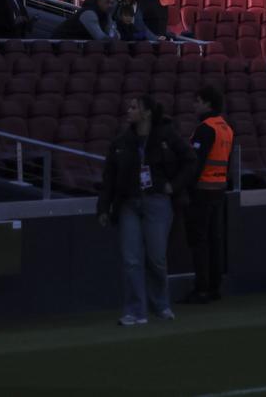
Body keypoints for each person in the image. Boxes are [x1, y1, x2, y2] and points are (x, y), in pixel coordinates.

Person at [98, 97, 190, 326]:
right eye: (128, 106)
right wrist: (103, 207)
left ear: (147, 113)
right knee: (131, 259)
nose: (128, 111)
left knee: (157, 258)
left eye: (134, 107)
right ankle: (135, 310)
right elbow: (109, 177)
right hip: (129, 203)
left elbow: (190, 160)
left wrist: (174, 185)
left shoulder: (166, 136)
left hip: (157, 201)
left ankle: (161, 305)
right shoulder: (121, 141)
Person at [185, 85, 235, 304]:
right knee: (215, 240)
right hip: (219, 189)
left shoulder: (205, 128)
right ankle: (214, 287)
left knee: (200, 241)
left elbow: (196, 163)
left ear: (207, 103)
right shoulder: (227, 128)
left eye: (197, 101)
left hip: (203, 190)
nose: (194, 105)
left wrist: (186, 187)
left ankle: (201, 288)